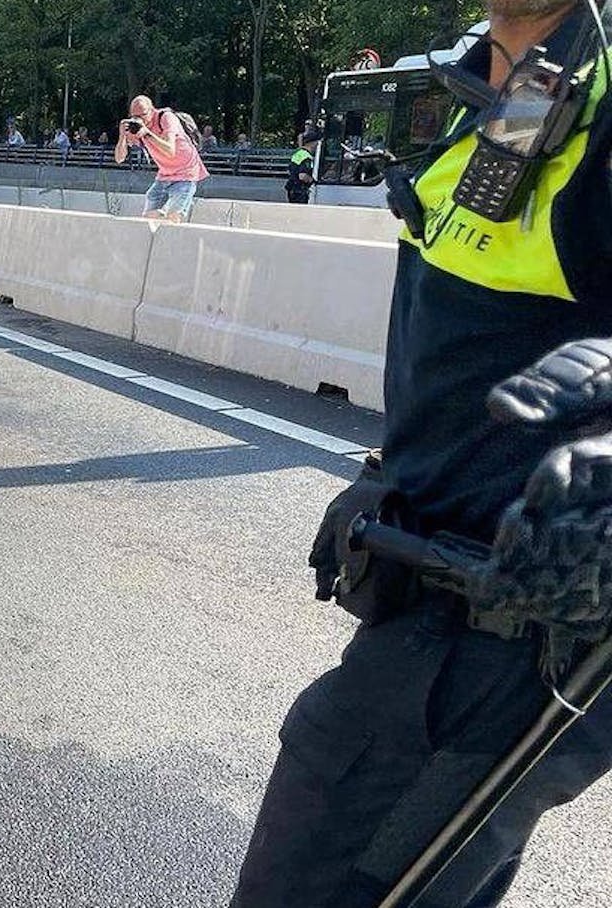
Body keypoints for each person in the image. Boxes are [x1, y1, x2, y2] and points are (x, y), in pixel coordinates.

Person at [232, 1, 612, 904]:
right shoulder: (514, 83)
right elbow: (482, 336)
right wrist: (390, 468)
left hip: (511, 640)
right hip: (446, 618)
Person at [113, 95, 210, 223]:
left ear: (152, 109)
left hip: (186, 173)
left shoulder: (166, 118)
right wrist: (122, 137)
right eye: (134, 116)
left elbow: (170, 150)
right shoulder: (136, 127)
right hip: (164, 175)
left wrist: (147, 133)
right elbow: (119, 158)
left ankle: (168, 217)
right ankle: (163, 216)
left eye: (142, 115)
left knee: (174, 218)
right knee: (148, 219)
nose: (139, 120)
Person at [285, 127, 320, 204]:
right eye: (316, 142)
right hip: (300, 190)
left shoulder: (297, 154)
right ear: (312, 143)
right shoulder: (307, 156)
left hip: (292, 188)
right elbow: (302, 176)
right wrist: (312, 181)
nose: (317, 144)